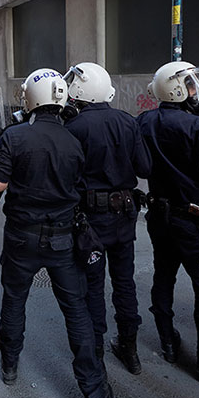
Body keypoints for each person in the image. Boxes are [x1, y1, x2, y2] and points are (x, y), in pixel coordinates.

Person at [0, 68, 113, 398]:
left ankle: (10, 365)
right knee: (76, 312)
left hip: (21, 238)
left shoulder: (14, 136)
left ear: (30, 99)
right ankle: (94, 397)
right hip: (62, 238)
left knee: (14, 300)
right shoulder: (74, 140)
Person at [137, 60, 199, 383]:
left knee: (164, 277)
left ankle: (167, 342)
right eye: (191, 84)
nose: (196, 91)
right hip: (194, 221)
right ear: (177, 89)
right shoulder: (196, 127)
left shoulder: (144, 121)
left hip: (159, 216)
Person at [63, 61, 152, 373]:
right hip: (124, 216)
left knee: (92, 285)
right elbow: (144, 168)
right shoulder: (128, 122)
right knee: (124, 282)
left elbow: (67, 177)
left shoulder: (73, 128)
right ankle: (129, 348)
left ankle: (97, 351)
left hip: (90, 219)